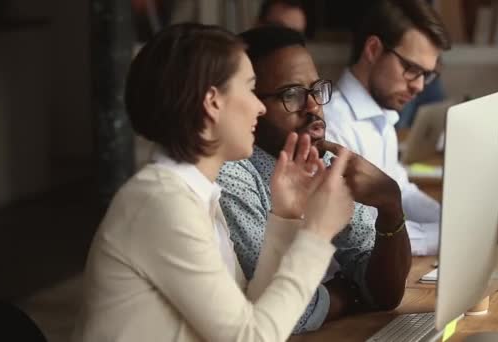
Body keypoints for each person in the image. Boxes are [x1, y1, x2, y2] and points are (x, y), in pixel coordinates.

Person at [73, 23, 356, 342]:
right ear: (212, 102)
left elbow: (251, 313)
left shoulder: (189, 193)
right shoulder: (161, 201)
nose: (259, 107)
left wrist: (287, 215)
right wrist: (317, 234)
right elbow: (250, 337)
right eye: (250, 89)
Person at [218, 26, 411, 333]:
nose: (313, 107)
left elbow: (385, 293)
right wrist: (351, 295)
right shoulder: (231, 174)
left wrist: (390, 206)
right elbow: (289, 311)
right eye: (291, 95)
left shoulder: (322, 159)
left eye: (316, 90)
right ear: (251, 104)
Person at [324, 0, 451, 256]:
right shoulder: (331, 124)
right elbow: (357, 233)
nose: (419, 86)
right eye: (412, 69)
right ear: (373, 49)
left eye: (426, 74)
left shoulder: (382, 114)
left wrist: (450, 220)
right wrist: (445, 236)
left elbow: (401, 190)